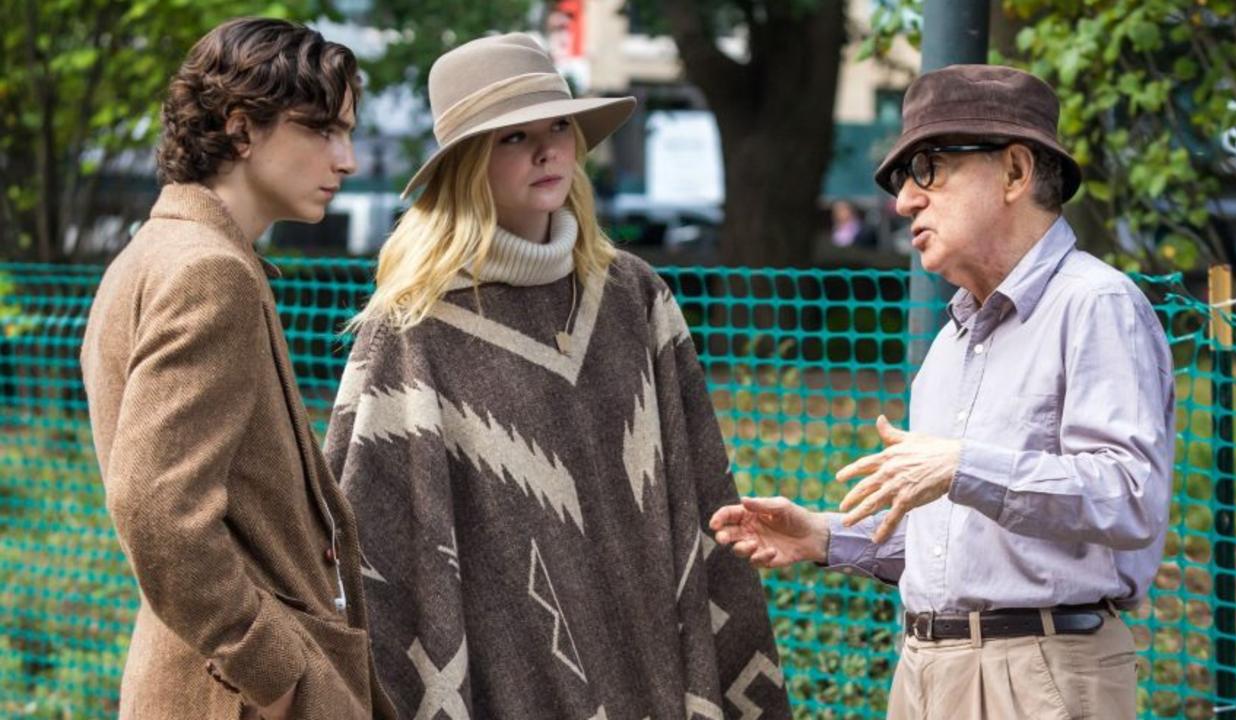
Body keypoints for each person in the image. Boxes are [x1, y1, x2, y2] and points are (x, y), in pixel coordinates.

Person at [323, 33, 791, 720]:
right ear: (465, 164)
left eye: (558, 128)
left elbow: (696, 492)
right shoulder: (415, 328)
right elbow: (372, 542)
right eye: (512, 137)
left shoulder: (635, 298)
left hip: (651, 658)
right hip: (500, 676)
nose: (546, 151)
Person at [710, 64, 1174, 719]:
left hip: (1040, 674)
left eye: (929, 168)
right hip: (925, 674)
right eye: (903, 180)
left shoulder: (1093, 304)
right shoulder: (952, 343)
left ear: (1014, 172)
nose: (904, 201)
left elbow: (1128, 497)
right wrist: (823, 536)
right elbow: (965, 542)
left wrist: (961, 464)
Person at [80, 18, 394, 720]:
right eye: (321, 130)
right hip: (235, 697)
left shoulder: (155, 253)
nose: (345, 160)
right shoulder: (208, 271)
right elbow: (155, 507)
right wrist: (273, 675)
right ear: (241, 129)